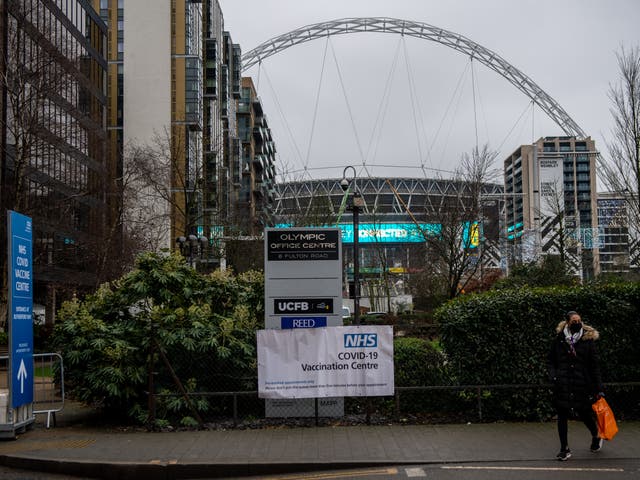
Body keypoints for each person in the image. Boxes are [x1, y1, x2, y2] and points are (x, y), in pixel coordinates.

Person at [547, 310, 605, 461]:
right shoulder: (559, 340)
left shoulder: (587, 341)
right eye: (574, 321)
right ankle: (564, 449)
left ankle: (596, 435)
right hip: (563, 383)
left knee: (584, 413)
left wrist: (599, 388)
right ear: (567, 322)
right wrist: (553, 375)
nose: (578, 323)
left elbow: (594, 366)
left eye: (579, 320)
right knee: (562, 415)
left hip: (582, 384)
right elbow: (551, 361)